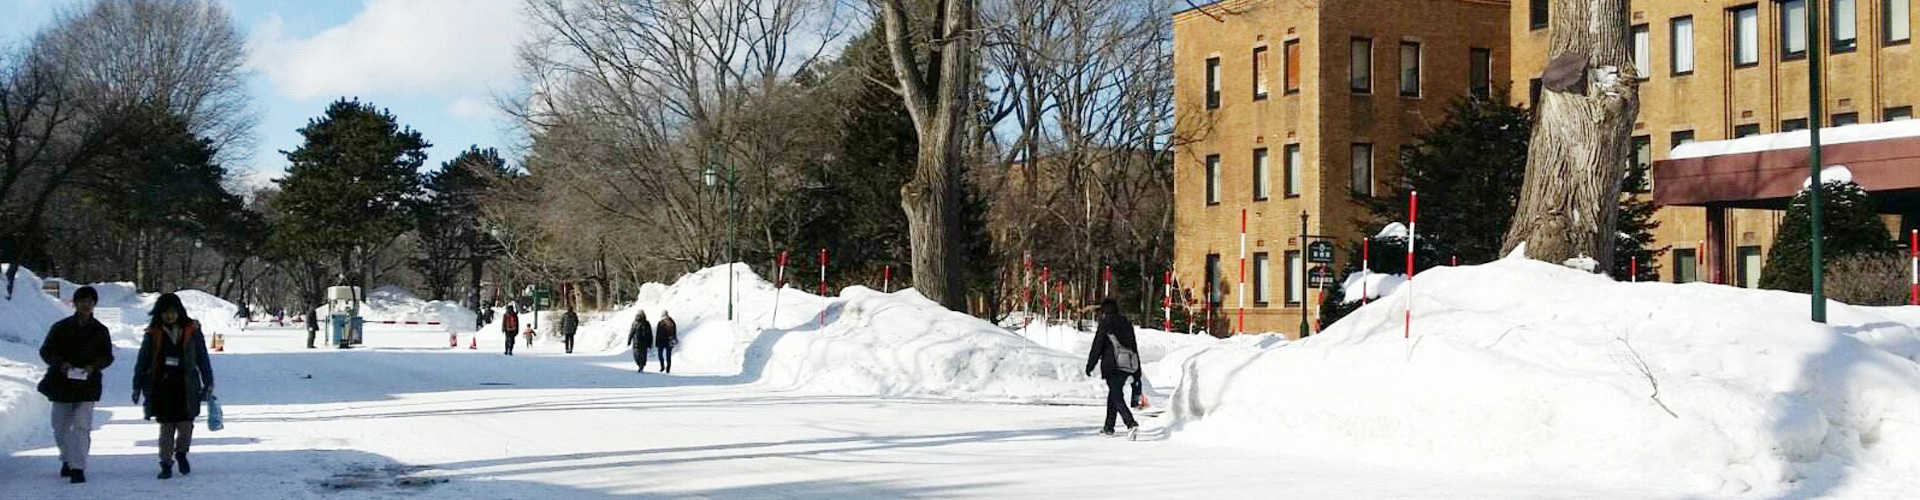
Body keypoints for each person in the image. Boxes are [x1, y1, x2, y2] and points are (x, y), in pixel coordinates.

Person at [131, 293, 216, 479]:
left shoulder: (192, 331)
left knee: (186, 425)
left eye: (172, 312)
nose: (169, 316)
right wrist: (137, 386)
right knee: (166, 428)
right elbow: (143, 361)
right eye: (165, 313)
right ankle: (165, 463)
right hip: (161, 386)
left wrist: (208, 381)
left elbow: (202, 358)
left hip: (186, 385)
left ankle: (181, 453)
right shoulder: (153, 333)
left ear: (179, 312)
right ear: (159, 314)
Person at [38, 286, 111, 484]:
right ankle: (67, 458)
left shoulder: (100, 330)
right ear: (75, 303)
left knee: (81, 427)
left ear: (94, 304)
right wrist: (61, 364)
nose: (86, 305)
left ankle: (78, 466)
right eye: (82, 301)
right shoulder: (60, 327)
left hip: (88, 385)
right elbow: (46, 351)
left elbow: (108, 356)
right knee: (60, 427)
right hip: (62, 384)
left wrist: (94, 366)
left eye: (90, 301)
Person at [1085, 298, 1139, 440]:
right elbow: (1134, 346)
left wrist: (1090, 365)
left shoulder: (1105, 323)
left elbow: (1097, 345)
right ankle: (1109, 427)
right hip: (1126, 364)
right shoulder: (1126, 323)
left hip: (1111, 365)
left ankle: (1131, 423)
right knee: (1114, 394)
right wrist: (1137, 370)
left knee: (1116, 396)